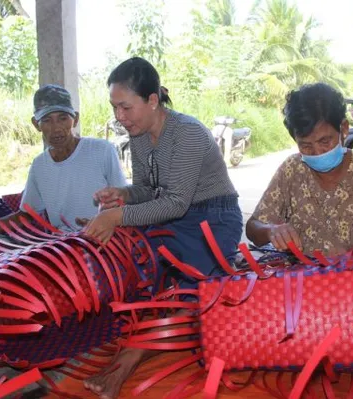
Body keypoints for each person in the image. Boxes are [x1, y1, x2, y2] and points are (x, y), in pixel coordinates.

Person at [83, 57, 242, 398]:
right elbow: (147, 189)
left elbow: (175, 202)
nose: (119, 118)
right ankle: (132, 342)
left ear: (152, 101)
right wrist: (122, 195)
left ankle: (127, 362)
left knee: (185, 294)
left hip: (214, 219)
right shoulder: (139, 136)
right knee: (134, 264)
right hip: (174, 217)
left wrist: (116, 216)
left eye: (126, 107)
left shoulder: (187, 133)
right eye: (115, 108)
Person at [245, 82, 353, 260]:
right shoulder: (292, 170)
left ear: (344, 129)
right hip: (303, 280)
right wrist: (270, 231)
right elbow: (252, 227)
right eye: (305, 145)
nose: (317, 152)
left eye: (325, 141)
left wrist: (350, 255)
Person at [0, 84, 126, 237]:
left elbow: (125, 202)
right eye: (47, 120)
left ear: (75, 119)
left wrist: (104, 221)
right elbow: (27, 216)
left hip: (105, 240)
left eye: (63, 118)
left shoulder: (102, 151)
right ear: (36, 125)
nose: (56, 128)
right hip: (63, 247)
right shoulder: (39, 166)